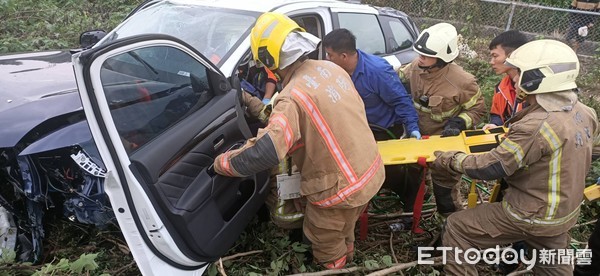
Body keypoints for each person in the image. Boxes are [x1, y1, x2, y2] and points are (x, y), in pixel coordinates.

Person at [213, 12, 385, 269]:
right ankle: (349, 253)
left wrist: (223, 163)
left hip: (339, 190)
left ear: (269, 59)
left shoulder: (291, 98)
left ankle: (335, 266)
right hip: (370, 172)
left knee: (324, 240)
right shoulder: (330, 68)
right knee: (345, 225)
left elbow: (265, 152)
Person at [430, 39, 599, 275]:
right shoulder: (585, 112)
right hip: (563, 215)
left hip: (529, 213)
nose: (514, 78)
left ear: (536, 78)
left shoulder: (537, 125)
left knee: (457, 228)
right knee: (551, 263)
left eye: (518, 73)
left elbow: (491, 167)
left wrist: (452, 159)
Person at [400, 22, 486, 215]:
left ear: (442, 58)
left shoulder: (463, 81)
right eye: (419, 54)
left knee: (444, 190)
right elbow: (397, 78)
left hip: (443, 144)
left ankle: (449, 226)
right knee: (412, 179)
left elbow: (478, 109)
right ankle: (410, 213)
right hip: (416, 138)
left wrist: (460, 122)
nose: (419, 58)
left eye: (425, 55)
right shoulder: (415, 67)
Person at [321, 28, 421, 141]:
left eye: (330, 55)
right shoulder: (334, 71)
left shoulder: (377, 71)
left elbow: (400, 100)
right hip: (358, 130)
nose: (327, 59)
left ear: (344, 56)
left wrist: (412, 128)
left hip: (384, 132)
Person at [482, 30, 529, 130]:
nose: (491, 62)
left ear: (512, 55)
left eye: (495, 56)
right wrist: (495, 125)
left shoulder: (533, 88)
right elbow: (497, 114)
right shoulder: (501, 87)